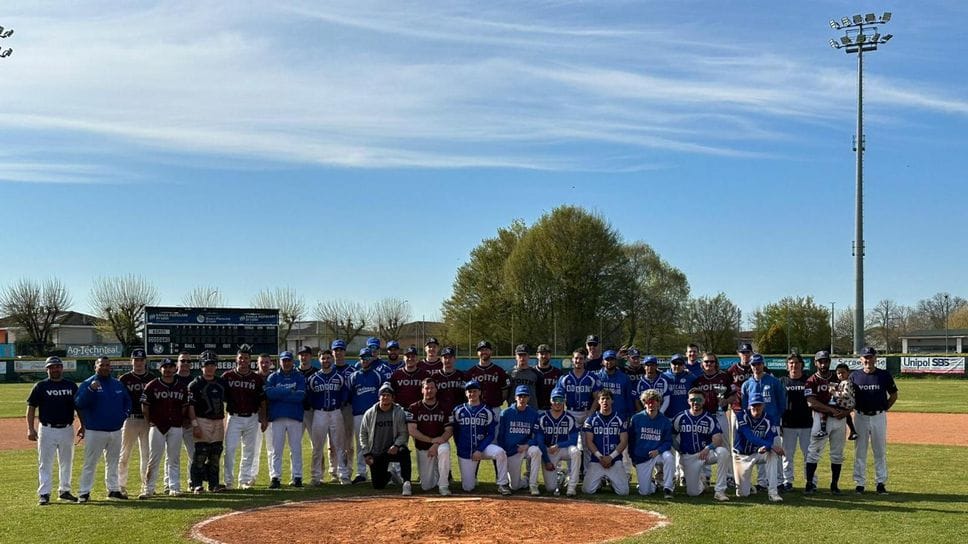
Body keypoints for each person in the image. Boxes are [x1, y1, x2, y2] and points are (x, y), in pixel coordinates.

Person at [75, 356, 131, 502]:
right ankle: (84, 492)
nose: (105, 367)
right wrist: (90, 390)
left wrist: (124, 415)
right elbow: (79, 403)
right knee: (90, 462)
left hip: (115, 430)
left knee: (113, 462)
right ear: (96, 367)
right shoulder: (88, 383)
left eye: (107, 365)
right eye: (102, 365)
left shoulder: (117, 384)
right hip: (95, 430)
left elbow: (127, 401)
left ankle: (113, 489)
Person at [27, 356, 81, 505]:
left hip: (67, 428)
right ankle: (44, 493)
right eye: (51, 367)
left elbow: (78, 407)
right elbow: (31, 408)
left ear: (62, 368)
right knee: (45, 462)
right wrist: (30, 429)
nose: (55, 369)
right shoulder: (40, 386)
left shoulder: (71, 386)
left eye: (57, 366)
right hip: (47, 429)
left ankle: (64, 491)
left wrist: (83, 424)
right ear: (47, 369)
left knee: (66, 461)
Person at [850, 347, 898, 495]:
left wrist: (883, 408)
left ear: (875, 358)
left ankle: (881, 483)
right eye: (865, 357)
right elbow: (848, 397)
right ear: (860, 359)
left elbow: (894, 395)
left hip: (878, 416)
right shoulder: (855, 376)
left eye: (870, 357)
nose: (867, 360)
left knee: (880, 450)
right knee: (860, 451)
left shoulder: (883, 375)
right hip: (860, 416)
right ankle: (860, 483)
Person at [450, 380, 511, 495]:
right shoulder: (458, 410)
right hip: (466, 451)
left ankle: (502, 484)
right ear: (466, 394)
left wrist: (480, 449)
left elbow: (491, 434)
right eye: (469, 391)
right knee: (468, 487)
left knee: (500, 452)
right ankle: (470, 481)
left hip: (483, 449)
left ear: (479, 393)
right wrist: (461, 448)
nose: (472, 394)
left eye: (475, 391)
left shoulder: (487, 411)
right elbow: (455, 432)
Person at [140, 357, 189, 498]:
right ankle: (148, 489)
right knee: (154, 458)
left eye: (170, 367)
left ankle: (174, 487)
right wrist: (149, 421)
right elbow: (145, 406)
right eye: (164, 367)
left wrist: (180, 419)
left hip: (175, 426)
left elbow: (185, 406)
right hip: (157, 426)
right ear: (160, 369)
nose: (167, 370)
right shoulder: (152, 385)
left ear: (175, 369)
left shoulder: (181, 387)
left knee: (174, 458)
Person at [672, 388, 730, 501]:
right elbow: (672, 436)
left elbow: (718, 439)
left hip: (705, 453)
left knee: (723, 452)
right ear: (688, 401)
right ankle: (701, 482)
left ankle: (720, 490)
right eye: (692, 399)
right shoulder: (681, 417)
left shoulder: (709, 418)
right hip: (689, 456)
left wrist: (708, 448)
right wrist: (679, 449)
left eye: (699, 399)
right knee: (693, 493)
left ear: (704, 401)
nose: (696, 402)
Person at [804, 350, 849, 494]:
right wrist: (831, 410)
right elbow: (811, 402)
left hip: (839, 419)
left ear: (829, 361)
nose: (823, 364)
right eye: (820, 361)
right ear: (815, 363)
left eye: (826, 361)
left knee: (837, 454)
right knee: (814, 452)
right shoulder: (811, 380)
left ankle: (834, 485)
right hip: (820, 418)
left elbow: (850, 398)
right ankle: (810, 484)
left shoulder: (839, 378)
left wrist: (846, 412)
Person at [222, 347, 266, 489]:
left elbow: (262, 400)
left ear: (250, 360)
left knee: (249, 450)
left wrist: (263, 418)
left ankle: (244, 480)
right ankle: (228, 481)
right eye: (241, 357)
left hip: (252, 417)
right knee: (230, 450)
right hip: (234, 417)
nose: (243, 360)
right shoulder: (227, 376)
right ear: (236, 359)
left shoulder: (256, 378)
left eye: (246, 358)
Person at [741, 353, 786, 491]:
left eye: (759, 364)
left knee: (775, 451)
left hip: (772, 423)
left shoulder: (773, 381)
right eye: (754, 364)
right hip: (756, 425)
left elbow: (782, 402)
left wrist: (777, 419)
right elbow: (744, 406)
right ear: (750, 366)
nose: (756, 367)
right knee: (760, 451)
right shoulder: (747, 384)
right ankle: (761, 482)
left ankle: (778, 481)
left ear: (763, 364)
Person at [359, 383, 413, 495]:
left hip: (392, 450)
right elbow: (363, 434)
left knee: (404, 452)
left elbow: (404, 433)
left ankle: (406, 482)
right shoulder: (370, 413)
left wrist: (396, 445)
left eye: (388, 395)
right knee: (378, 485)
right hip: (377, 452)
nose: (385, 397)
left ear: (393, 397)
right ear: (379, 397)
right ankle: (390, 475)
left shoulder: (399, 412)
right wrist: (366, 453)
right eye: (383, 395)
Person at [307, 348, 350, 485]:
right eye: (323, 358)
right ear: (318, 360)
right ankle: (316, 476)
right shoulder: (313, 378)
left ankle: (343, 474)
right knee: (317, 446)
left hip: (336, 412)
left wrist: (339, 404)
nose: (326, 360)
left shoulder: (339, 377)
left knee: (340, 445)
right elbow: (309, 397)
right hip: (319, 413)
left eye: (328, 358)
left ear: (332, 359)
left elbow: (345, 395)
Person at [264, 350, 307, 489]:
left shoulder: (299, 376)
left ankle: (297, 476)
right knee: (276, 449)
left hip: (294, 416)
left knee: (296, 448)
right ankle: (275, 477)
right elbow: (270, 394)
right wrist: (289, 391)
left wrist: (279, 394)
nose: (286, 363)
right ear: (280, 361)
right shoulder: (273, 377)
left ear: (292, 361)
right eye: (284, 360)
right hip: (277, 417)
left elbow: (300, 396)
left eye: (289, 360)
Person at [187, 351, 228, 493]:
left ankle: (214, 483)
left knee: (215, 454)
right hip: (202, 420)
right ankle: (196, 483)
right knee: (201, 454)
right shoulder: (195, 384)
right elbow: (190, 406)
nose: (209, 368)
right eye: (206, 365)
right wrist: (195, 425)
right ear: (201, 366)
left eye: (212, 365)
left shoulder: (221, 383)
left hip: (218, 420)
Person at [733, 393, 785, 502]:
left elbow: (770, 437)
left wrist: (767, 446)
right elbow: (749, 436)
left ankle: (773, 493)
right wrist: (769, 445)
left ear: (763, 405)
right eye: (754, 406)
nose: (756, 408)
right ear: (749, 406)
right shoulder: (740, 416)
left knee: (772, 454)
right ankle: (747, 486)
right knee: (742, 494)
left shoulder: (769, 419)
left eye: (759, 405)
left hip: (758, 453)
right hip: (742, 455)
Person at [118, 347, 156, 497]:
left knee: (147, 454)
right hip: (130, 419)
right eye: (136, 360)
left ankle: (146, 487)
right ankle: (121, 486)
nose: (138, 362)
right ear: (131, 361)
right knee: (124, 454)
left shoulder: (152, 377)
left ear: (145, 361)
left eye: (141, 360)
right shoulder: (125, 379)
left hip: (147, 420)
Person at [407, 378, 453, 495]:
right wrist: (431, 440)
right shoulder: (414, 407)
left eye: (432, 388)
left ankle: (443, 485)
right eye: (427, 388)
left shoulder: (445, 407)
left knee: (445, 449)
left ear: (436, 390)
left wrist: (436, 444)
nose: (429, 390)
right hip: (423, 447)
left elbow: (449, 430)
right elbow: (412, 430)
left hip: (440, 444)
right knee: (426, 486)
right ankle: (437, 475)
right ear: (422, 390)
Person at [628, 389, 675, 498]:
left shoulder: (665, 421)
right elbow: (631, 440)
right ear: (644, 403)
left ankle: (668, 488)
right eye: (647, 402)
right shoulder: (636, 419)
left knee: (669, 457)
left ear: (659, 403)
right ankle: (652, 484)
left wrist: (658, 451)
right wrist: (633, 457)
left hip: (658, 454)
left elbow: (668, 442)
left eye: (654, 401)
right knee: (644, 492)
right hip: (643, 456)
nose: (651, 405)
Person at [534, 387, 581, 496]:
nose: (557, 403)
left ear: (564, 401)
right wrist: (546, 461)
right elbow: (539, 441)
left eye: (560, 400)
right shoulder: (543, 417)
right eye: (555, 399)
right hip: (548, 450)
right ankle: (560, 476)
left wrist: (558, 445)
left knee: (576, 452)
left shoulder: (569, 418)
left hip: (563, 448)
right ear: (551, 400)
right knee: (551, 488)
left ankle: (572, 486)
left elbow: (573, 440)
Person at [581, 390, 629, 495]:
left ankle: (612, 482)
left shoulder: (620, 419)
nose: (605, 401)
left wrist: (611, 457)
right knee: (587, 490)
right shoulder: (591, 420)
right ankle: (600, 482)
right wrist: (601, 457)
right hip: (597, 460)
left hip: (615, 460)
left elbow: (624, 441)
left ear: (612, 401)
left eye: (607, 398)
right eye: (602, 398)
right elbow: (589, 442)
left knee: (624, 492)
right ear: (598, 401)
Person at [348, 347, 384, 484]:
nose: (365, 360)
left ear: (372, 359)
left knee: (377, 443)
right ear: (360, 359)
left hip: (374, 414)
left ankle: (378, 470)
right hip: (358, 414)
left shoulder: (377, 375)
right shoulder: (354, 376)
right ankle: (361, 473)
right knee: (361, 444)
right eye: (363, 358)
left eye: (367, 358)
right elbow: (349, 395)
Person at [499, 385, 542, 495]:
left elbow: (538, 435)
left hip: (526, 447)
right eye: (520, 396)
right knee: (515, 486)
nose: (522, 399)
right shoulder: (506, 413)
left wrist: (527, 445)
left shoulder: (533, 414)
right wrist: (505, 452)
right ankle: (525, 480)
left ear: (528, 398)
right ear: (515, 397)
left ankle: (533, 485)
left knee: (536, 451)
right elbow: (501, 435)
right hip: (513, 450)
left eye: (525, 396)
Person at [780, 353, 812, 491]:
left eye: (797, 362)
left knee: (809, 455)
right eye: (791, 363)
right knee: (787, 455)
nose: (794, 365)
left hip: (806, 423)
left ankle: (811, 481)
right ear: (787, 366)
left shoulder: (808, 381)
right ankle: (788, 481)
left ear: (802, 365)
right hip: (788, 424)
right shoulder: (781, 381)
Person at [169, 352, 195, 493]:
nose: (185, 363)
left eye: (188, 361)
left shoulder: (194, 380)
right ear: (177, 363)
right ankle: (169, 484)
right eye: (182, 360)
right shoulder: (171, 379)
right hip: (174, 423)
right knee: (172, 455)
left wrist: (191, 420)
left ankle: (191, 481)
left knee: (193, 453)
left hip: (189, 423)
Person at [465, 341, 510, 422]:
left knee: (496, 434)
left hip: (494, 408)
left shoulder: (499, 371)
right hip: (476, 409)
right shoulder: (471, 372)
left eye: (486, 349)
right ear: (477, 353)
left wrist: (497, 401)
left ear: (491, 351)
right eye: (481, 350)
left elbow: (505, 391)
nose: (484, 352)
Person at [330, 339, 355, 483]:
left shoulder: (351, 370)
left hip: (347, 408)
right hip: (332, 409)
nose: (338, 352)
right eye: (336, 350)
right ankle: (333, 471)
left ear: (345, 352)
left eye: (340, 350)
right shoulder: (329, 369)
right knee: (331, 444)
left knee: (348, 442)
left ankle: (348, 470)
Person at [252, 353, 275, 485]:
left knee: (272, 449)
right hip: (256, 417)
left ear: (271, 363)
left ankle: (273, 476)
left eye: (267, 362)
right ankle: (251, 477)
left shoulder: (275, 377)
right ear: (257, 363)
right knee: (254, 449)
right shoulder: (253, 378)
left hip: (272, 417)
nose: (264, 365)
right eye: (262, 362)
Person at [432, 346, 466, 414]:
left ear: (454, 359)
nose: (447, 360)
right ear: (441, 359)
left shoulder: (462, 375)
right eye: (445, 357)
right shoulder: (434, 377)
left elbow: (466, 395)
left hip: (458, 411)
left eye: (450, 357)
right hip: (440, 412)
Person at [662, 354, 696, 419]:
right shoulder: (663, 377)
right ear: (670, 364)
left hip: (686, 416)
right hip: (667, 416)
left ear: (684, 365)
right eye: (674, 363)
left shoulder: (691, 377)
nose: (677, 366)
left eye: (680, 364)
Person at [507, 345, 541, 409]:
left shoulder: (536, 373)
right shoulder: (509, 373)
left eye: (524, 355)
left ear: (529, 356)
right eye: (520, 355)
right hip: (514, 410)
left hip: (532, 410)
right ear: (516, 356)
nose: (522, 358)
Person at [833, 364, 858, 440]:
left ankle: (853, 431)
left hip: (847, 403)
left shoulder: (846, 382)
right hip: (846, 403)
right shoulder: (843, 382)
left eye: (843, 372)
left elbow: (845, 394)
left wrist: (834, 393)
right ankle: (852, 431)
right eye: (839, 373)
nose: (841, 375)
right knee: (847, 417)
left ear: (848, 372)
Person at [296, 346, 317, 439]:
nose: (304, 357)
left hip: (312, 411)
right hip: (296, 410)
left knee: (316, 443)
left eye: (306, 355)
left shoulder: (317, 373)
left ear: (311, 356)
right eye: (301, 355)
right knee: (295, 443)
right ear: (298, 357)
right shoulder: (293, 373)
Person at [534, 344, 561, 411]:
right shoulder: (532, 372)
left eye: (547, 354)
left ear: (550, 355)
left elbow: (561, 392)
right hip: (535, 409)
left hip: (553, 410)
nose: (544, 356)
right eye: (542, 353)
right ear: (537, 355)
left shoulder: (558, 373)